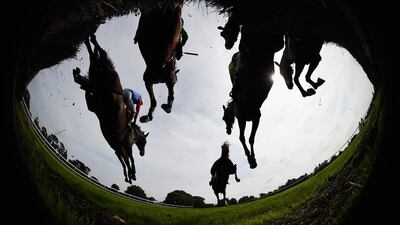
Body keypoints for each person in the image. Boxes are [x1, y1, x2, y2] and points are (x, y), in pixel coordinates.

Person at [209, 141, 240, 206]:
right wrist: (212, 179)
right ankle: (218, 199)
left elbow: (233, 170)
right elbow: (212, 171)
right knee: (215, 175)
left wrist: (236, 176)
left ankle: (223, 200)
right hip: (216, 179)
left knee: (223, 189)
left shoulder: (228, 161)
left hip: (224, 180)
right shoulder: (218, 162)